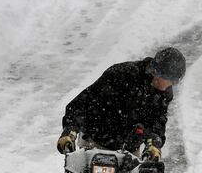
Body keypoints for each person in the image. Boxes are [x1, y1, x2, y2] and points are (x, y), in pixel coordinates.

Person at [56, 47, 186, 160]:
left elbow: (157, 121)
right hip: (95, 142)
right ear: (157, 73)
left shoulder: (164, 94)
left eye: (175, 82)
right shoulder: (122, 74)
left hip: (128, 150)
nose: (172, 85)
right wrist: (70, 130)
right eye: (171, 80)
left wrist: (154, 143)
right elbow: (83, 103)